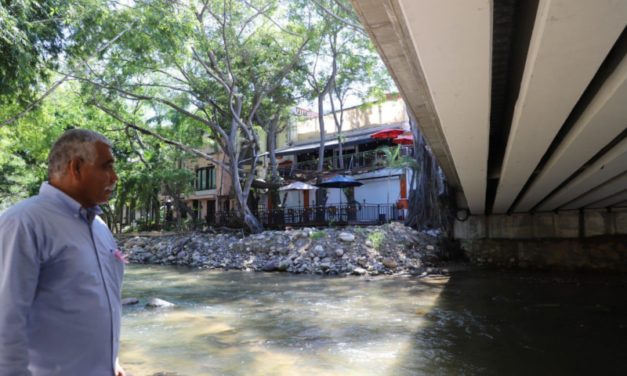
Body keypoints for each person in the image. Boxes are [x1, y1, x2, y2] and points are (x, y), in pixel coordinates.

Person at [0, 129, 126, 376]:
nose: (115, 177)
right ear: (76, 167)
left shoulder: (99, 227)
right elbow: (5, 321)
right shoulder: (24, 224)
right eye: (106, 167)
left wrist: (111, 360)